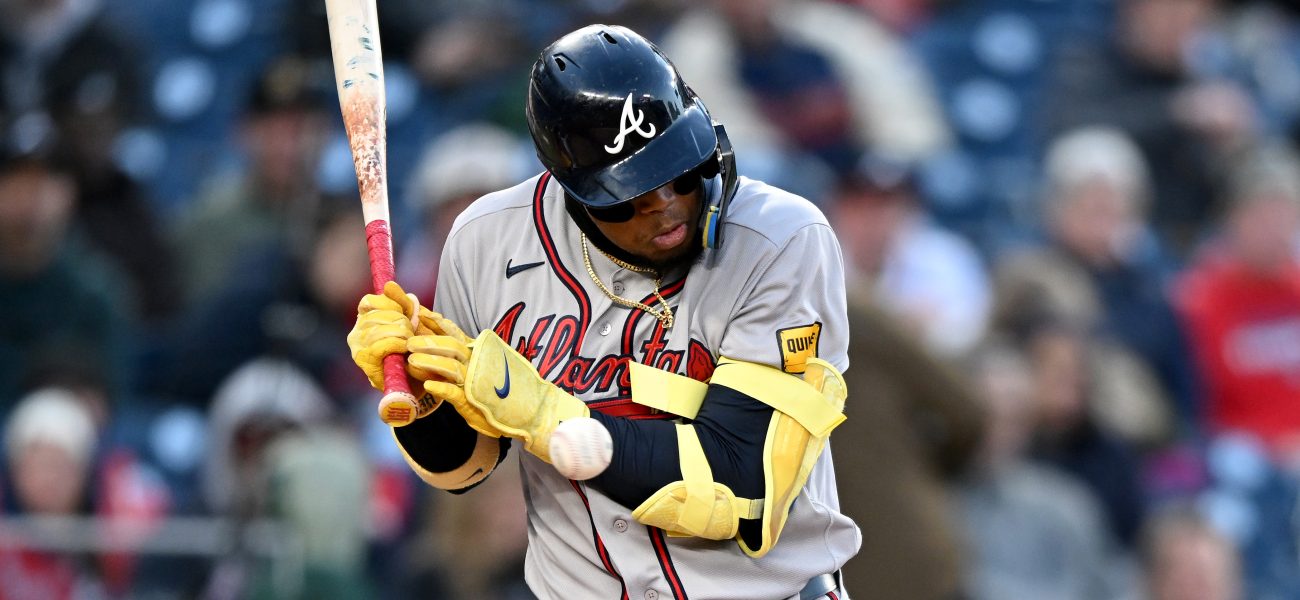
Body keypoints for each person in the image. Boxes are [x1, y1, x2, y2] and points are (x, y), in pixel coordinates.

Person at [347, 24, 860, 600]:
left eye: (679, 174)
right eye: (632, 196)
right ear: (571, 187)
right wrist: (422, 397)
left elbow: (745, 485)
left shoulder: (780, 239)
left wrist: (550, 418)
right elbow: (464, 468)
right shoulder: (486, 241)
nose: (667, 210)